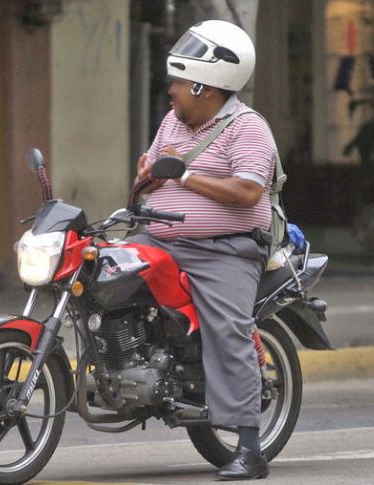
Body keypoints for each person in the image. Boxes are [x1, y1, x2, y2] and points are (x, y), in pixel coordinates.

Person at [126, 19, 276, 480]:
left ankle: (250, 448)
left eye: (177, 82)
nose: (169, 90)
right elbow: (154, 166)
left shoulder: (248, 129)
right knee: (94, 275)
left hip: (222, 251)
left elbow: (249, 192)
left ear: (203, 86)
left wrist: (185, 177)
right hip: (157, 236)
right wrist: (146, 175)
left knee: (228, 330)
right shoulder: (174, 120)